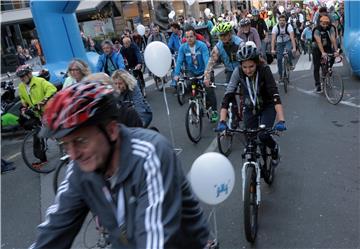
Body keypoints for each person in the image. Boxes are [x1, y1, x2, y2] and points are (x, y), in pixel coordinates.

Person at [31, 81, 210, 248]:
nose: (73, 154)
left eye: (81, 140)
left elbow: (154, 241)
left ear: (111, 130)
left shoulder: (150, 154)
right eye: (65, 145)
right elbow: (54, 227)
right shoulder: (80, 169)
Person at [216, 43, 286, 165]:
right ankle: (252, 175)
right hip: (250, 107)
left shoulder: (264, 70)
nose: (248, 70)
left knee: (263, 135)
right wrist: (222, 121)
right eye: (244, 67)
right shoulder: (238, 72)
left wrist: (281, 120)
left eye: (251, 66)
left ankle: (274, 148)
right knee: (250, 141)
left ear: (257, 63)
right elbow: (227, 96)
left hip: (267, 106)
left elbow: (275, 95)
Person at [174, 26, 218, 122]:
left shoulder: (202, 46)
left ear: (195, 36)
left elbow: (207, 60)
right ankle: (195, 104)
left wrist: (207, 76)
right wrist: (176, 74)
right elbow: (179, 61)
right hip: (192, 72)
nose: (189, 39)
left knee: (209, 90)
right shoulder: (183, 48)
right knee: (190, 85)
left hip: (204, 71)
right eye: (187, 37)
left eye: (191, 36)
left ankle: (214, 110)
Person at [16, 64, 57, 168]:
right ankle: (42, 158)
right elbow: (23, 99)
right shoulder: (21, 87)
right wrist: (24, 107)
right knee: (38, 135)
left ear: (30, 74)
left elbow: (52, 90)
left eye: (23, 76)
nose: (22, 79)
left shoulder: (40, 81)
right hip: (36, 113)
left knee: (56, 131)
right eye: (20, 77)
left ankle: (66, 147)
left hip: (47, 111)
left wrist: (43, 101)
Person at [312, 15, 339, 93]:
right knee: (316, 66)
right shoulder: (316, 29)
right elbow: (319, 42)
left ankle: (326, 72)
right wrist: (323, 52)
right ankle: (317, 85)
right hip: (317, 48)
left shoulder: (331, 28)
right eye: (323, 24)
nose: (325, 25)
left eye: (327, 24)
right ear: (320, 23)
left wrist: (336, 50)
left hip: (327, 46)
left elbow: (333, 39)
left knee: (332, 57)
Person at [271, 14, 297, 81]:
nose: (282, 22)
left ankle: (290, 63)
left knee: (289, 50)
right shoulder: (275, 27)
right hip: (279, 43)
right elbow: (273, 39)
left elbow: (292, 37)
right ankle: (280, 75)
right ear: (278, 21)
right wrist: (272, 49)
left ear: (285, 21)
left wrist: (294, 48)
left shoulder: (289, 26)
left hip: (287, 41)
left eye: (283, 20)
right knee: (279, 59)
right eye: (280, 20)